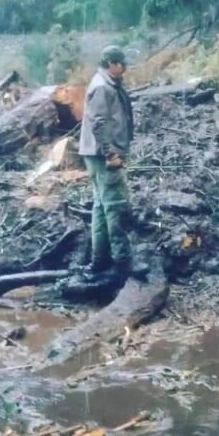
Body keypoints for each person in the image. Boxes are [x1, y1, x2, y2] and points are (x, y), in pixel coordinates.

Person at [78, 45, 143, 281]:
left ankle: (99, 261)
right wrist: (110, 154)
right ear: (111, 64)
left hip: (98, 154)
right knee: (115, 205)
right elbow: (98, 123)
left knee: (101, 208)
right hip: (102, 156)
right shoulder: (102, 87)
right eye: (122, 63)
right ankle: (122, 262)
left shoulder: (107, 84)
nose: (125, 67)